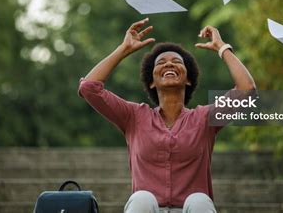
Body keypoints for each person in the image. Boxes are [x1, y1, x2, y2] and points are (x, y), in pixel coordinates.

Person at [78, 18, 256, 213]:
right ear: (152, 81)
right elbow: (89, 88)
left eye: (176, 62)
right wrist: (124, 49)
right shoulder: (134, 116)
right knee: (141, 198)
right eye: (161, 63)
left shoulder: (205, 118)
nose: (169, 64)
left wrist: (222, 48)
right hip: (147, 210)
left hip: (192, 210)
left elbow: (246, 90)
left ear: (188, 79)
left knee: (199, 200)